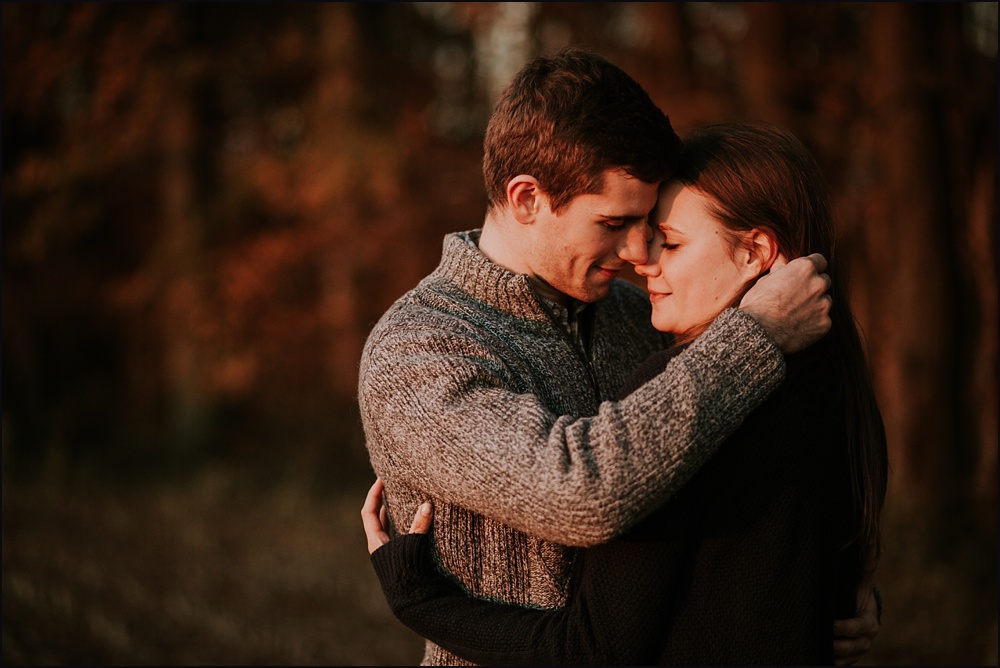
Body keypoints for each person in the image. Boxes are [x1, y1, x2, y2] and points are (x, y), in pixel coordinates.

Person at [358, 47, 875, 666]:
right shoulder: (417, 349)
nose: (637, 250)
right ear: (526, 199)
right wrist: (754, 336)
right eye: (614, 221)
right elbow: (580, 493)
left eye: (650, 223)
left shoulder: (639, 317)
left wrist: (834, 590)